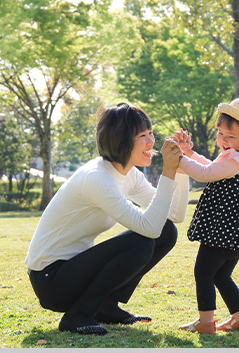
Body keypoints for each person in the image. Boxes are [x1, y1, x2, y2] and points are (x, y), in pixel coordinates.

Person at [24, 102, 190, 335]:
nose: (151, 142)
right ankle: (77, 316)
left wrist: (180, 170)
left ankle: (105, 307)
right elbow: (149, 228)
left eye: (150, 133)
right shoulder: (97, 178)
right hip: (51, 280)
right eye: (142, 135)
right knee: (141, 242)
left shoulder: (128, 173)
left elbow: (173, 215)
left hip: (74, 271)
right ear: (120, 140)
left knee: (167, 231)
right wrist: (168, 172)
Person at [175, 97, 239, 334]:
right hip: (235, 234)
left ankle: (206, 323)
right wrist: (191, 154)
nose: (223, 141)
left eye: (230, 137)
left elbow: (206, 174)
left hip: (222, 232)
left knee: (203, 272)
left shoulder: (236, 159)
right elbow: (211, 166)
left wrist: (180, 158)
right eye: (220, 134)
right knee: (221, 275)